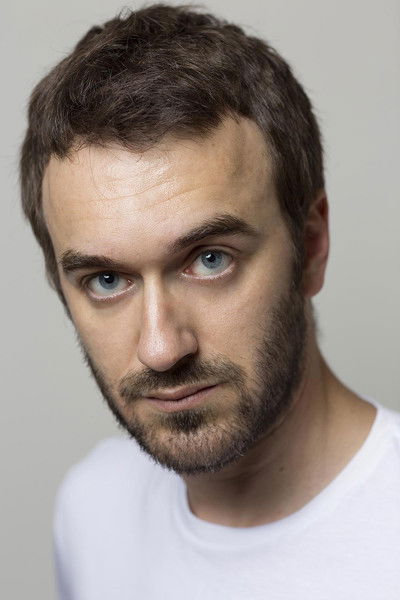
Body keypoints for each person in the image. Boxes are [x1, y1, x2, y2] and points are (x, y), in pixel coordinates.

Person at [19, 4, 400, 599]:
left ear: (311, 245)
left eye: (210, 260)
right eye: (106, 280)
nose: (161, 348)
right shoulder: (92, 509)